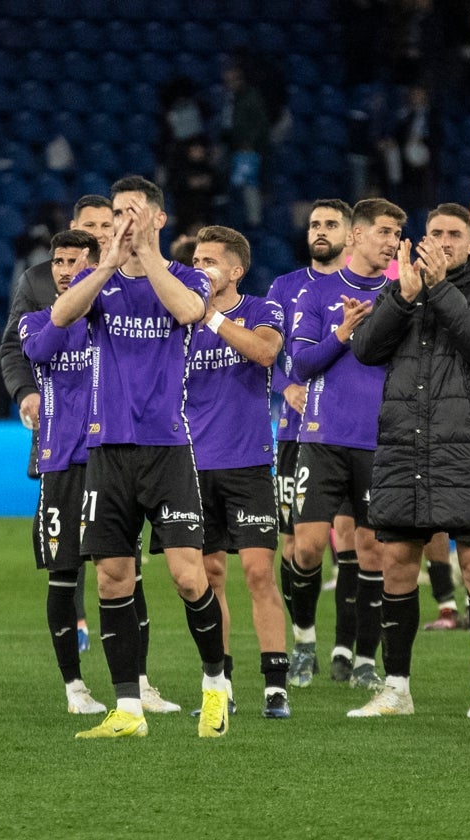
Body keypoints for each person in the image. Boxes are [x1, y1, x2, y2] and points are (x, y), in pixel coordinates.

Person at [50, 175, 227, 739]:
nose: (123, 220)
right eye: (115, 211)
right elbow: (60, 317)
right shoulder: (95, 280)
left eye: (133, 212)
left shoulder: (183, 275)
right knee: (111, 578)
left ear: (157, 217)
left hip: (168, 448)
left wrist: (146, 255)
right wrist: (106, 261)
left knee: (187, 576)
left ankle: (215, 684)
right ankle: (128, 708)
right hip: (108, 450)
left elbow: (189, 312)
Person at [349, 202, 470, 718]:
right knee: (397, 563)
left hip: (466, 444)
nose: (441, 239)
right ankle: (397, 688)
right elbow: (366, 348)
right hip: (404, 443)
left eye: (453, 233)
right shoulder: (405, 286)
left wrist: (439, 289)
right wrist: (406, 296)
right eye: (434, 231)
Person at [288, 197, 405, 691]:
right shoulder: (317, 294)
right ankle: (304, 642)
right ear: (356, 235)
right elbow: (301, 364)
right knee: (309, 548)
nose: (392, 242)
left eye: (397, 235)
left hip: (379, 441)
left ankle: (363, 659)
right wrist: (343, 332)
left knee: (373, 552)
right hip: (322, 436)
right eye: (383, 232)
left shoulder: (402, 294)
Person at [0, 194, 116, 652]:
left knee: (118, 548)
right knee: (66, 541)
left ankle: (133, 669)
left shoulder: (130, 280)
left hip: (116, 435)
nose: (97, 234)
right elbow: (15, 346)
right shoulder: (37, 281)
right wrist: (26, 392)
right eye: (89, 225)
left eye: (106, 226)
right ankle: (80, 622)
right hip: (61, 427)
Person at [187, 224, 291, 718]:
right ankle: (219, 682)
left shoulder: (261, 309)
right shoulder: (179, 317)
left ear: (235, 270)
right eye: (195, 259)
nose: (198, 267)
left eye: (209, 260)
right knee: (208, 576)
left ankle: (275, 684)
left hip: (248, 461)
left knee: (257, 573)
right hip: (190, 463)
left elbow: (266, 352)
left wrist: (210, 317)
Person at [264, 199, 360, 684]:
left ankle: (345, 648)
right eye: (315, 224)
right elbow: (267, 352)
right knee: (296, 547)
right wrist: (287, 389)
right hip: (295, 435)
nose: (319, 231)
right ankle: (303, 638)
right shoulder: (284, 287)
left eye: (330, 224)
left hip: (350, 433)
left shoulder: (366, 287)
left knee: (351, 539)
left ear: (351, 233)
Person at [18, 229, 107, 717]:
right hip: (59, 461)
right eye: (57, 262)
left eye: (74, 261)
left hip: (110, 460)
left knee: (122, 574)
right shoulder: (36, 321)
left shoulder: (111, 320)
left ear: (93, 263)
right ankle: (74, 688)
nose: (63, 269)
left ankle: (136, 684)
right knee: (62, 575)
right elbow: (40, 349)